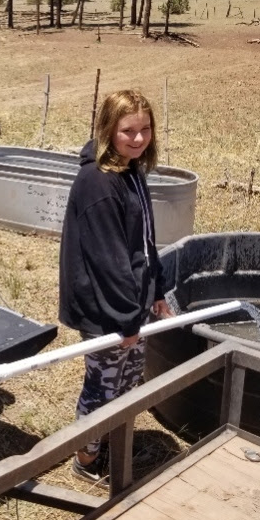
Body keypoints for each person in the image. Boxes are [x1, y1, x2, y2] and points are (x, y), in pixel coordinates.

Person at [59, 89, 173, 485]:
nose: (139, 139)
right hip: (104, 308)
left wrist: (156, 291)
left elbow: (145, 240)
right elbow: (107, 260)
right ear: (109, 129)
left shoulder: (132, 172)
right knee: (103, 385)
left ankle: (113, 442)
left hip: (132, 304)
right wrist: (126, 321)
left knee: (129, 379)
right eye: (128, 130)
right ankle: (85, 459)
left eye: (145, 129)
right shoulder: (97, 182)